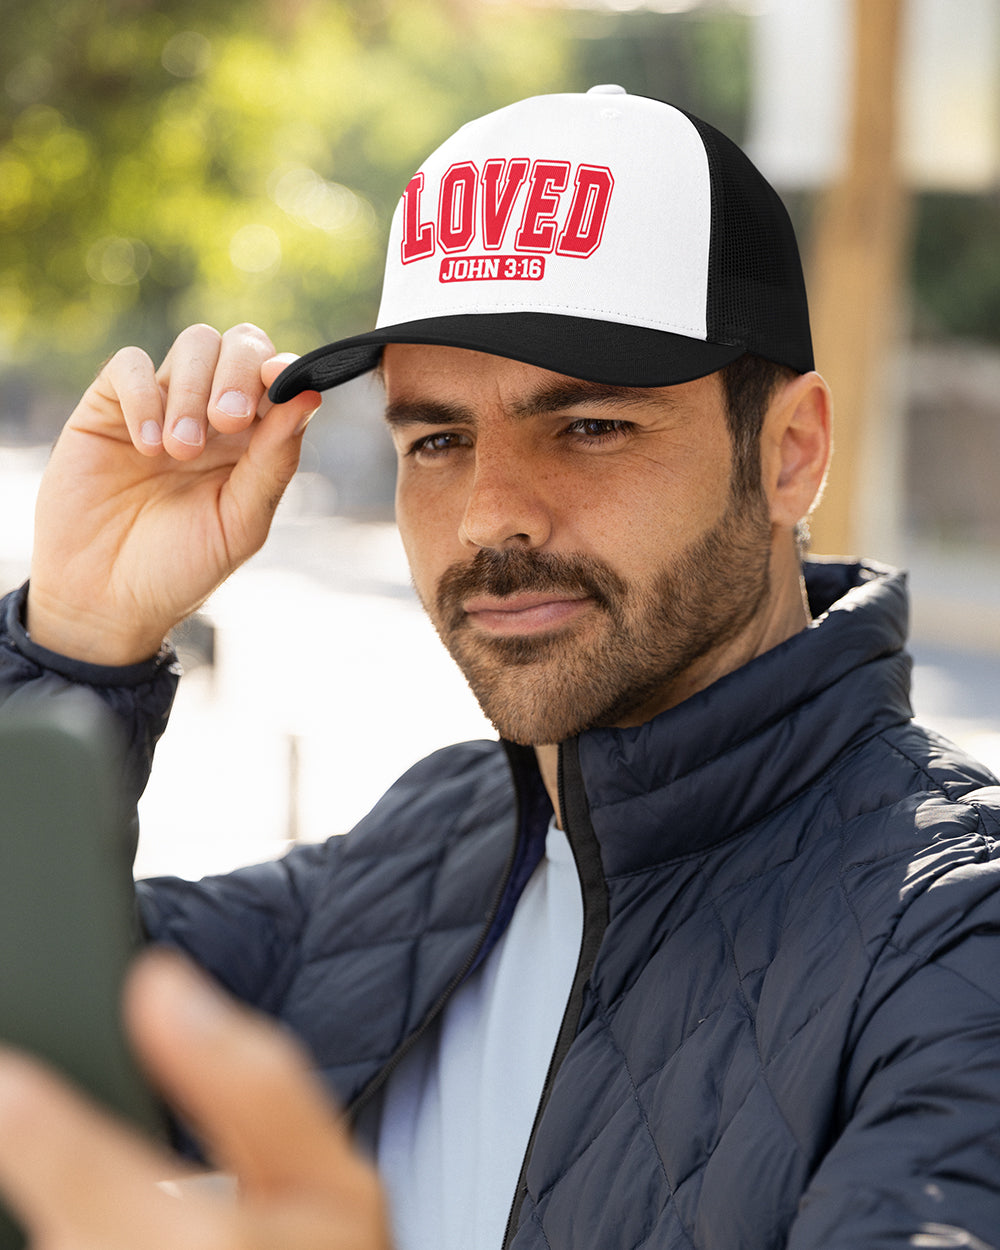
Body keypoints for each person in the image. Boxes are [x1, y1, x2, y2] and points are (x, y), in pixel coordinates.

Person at [1, 84, 999, 1250]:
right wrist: (75, 633)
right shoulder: (433, 848)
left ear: (789, 451)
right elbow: (34, 1049)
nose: (488, 515)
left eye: (589, 426)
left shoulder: (958, 938)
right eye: (437, 438)